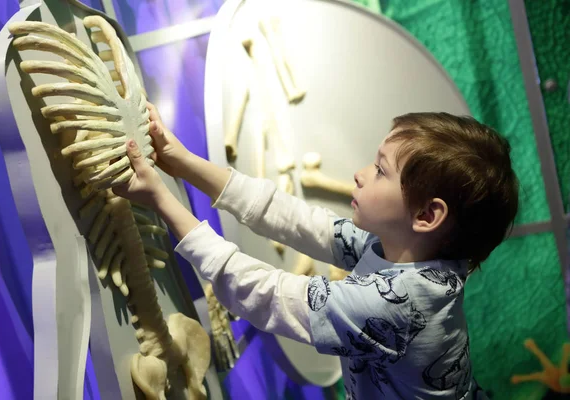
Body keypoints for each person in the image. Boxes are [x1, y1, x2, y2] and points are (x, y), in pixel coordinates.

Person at [113, 103, 519, 399]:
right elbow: (296, 219)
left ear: (427, 215)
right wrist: (181, 162)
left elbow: (261, 294)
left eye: (380, 171)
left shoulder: (398, 304)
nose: (360, 175)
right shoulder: (406, 252)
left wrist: (162, 200)